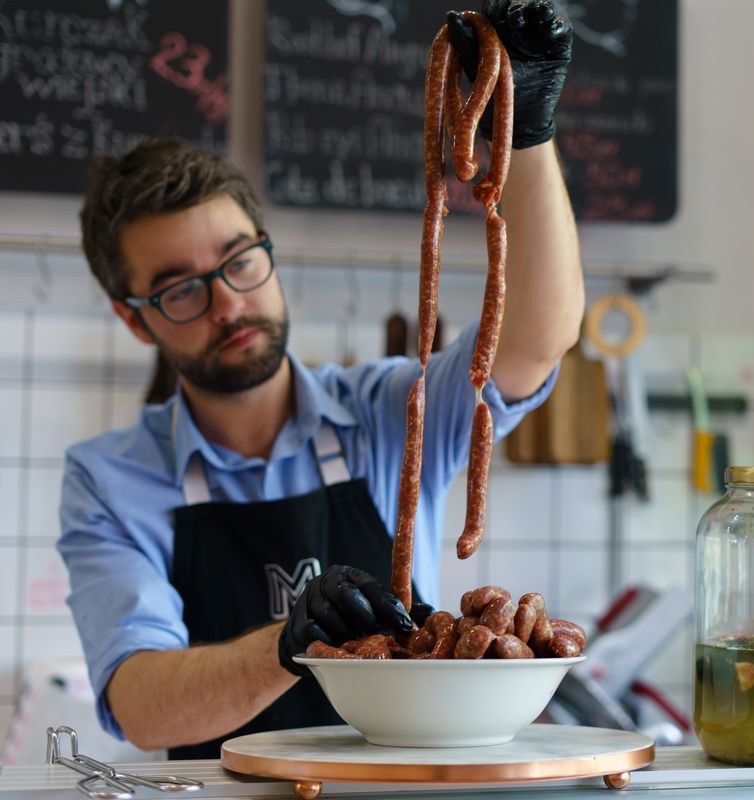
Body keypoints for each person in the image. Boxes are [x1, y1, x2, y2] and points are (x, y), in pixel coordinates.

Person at [56, 0, 580, 759]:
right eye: (180, 289)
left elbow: (536, 339)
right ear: (136, 320)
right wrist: (287, 641)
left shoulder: (390, 411)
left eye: (240, 260)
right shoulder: (109, 479)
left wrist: (523, 132)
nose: (230, 302)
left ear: (267, 251)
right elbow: (141, 705)